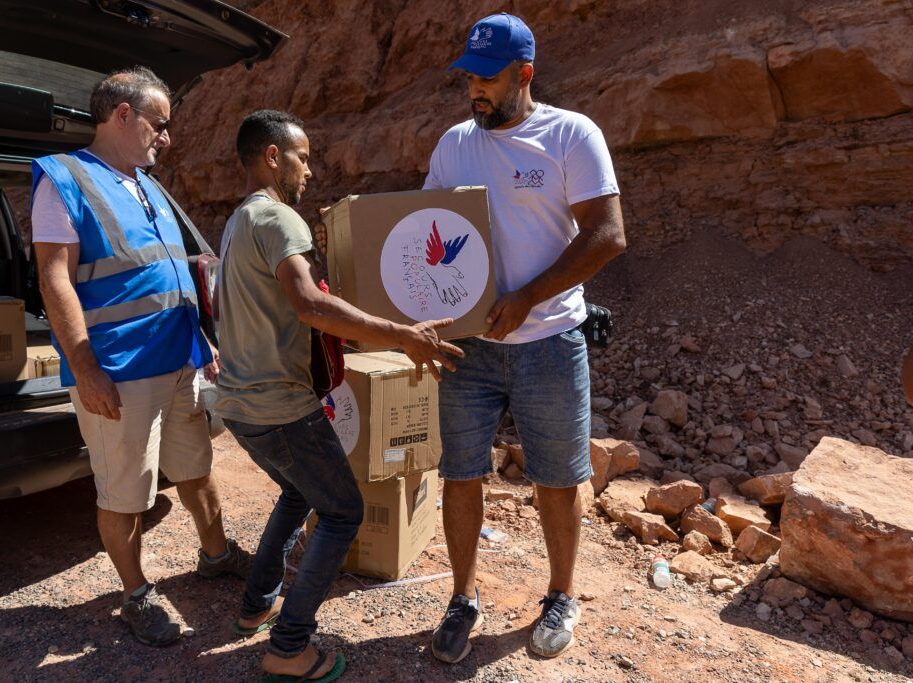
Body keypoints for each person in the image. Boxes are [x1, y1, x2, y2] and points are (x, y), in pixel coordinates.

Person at [215, 109, 463, 682]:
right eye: (303, 155)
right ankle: (289, 646)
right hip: (282, 408)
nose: (310, 168)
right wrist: (401, 334)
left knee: (297, 492)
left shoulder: (238, 221)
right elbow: (308, 304)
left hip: (240, 406)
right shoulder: (280, 218)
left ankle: (257, 603)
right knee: (343, 509)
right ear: (273, 156)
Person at [424, 13, 627, 663]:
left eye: (487, 79)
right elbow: (424, 231)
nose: (474, 91)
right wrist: (424, 314)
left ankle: (561, 594)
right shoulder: (454, 143)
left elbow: (607, 235)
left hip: (550, 338)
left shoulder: (571, 135)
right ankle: (462, 595)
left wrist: (526, 299)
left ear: (525, 74)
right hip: (469, 345)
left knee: (558, 478)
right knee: (460, 473)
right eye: (468, 79)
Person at [33, 67, 249, 647]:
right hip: (118, 371)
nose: (167, 137)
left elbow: (176, 276)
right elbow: (55, 279)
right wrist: (84, 369)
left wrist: (204, 343)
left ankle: (216, 553)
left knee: (196, 467)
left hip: (178, 358)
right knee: (125, 492)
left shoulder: (147, 184)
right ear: (122, 115)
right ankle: (135, 595)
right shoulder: (64, 179)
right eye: (160, 123)